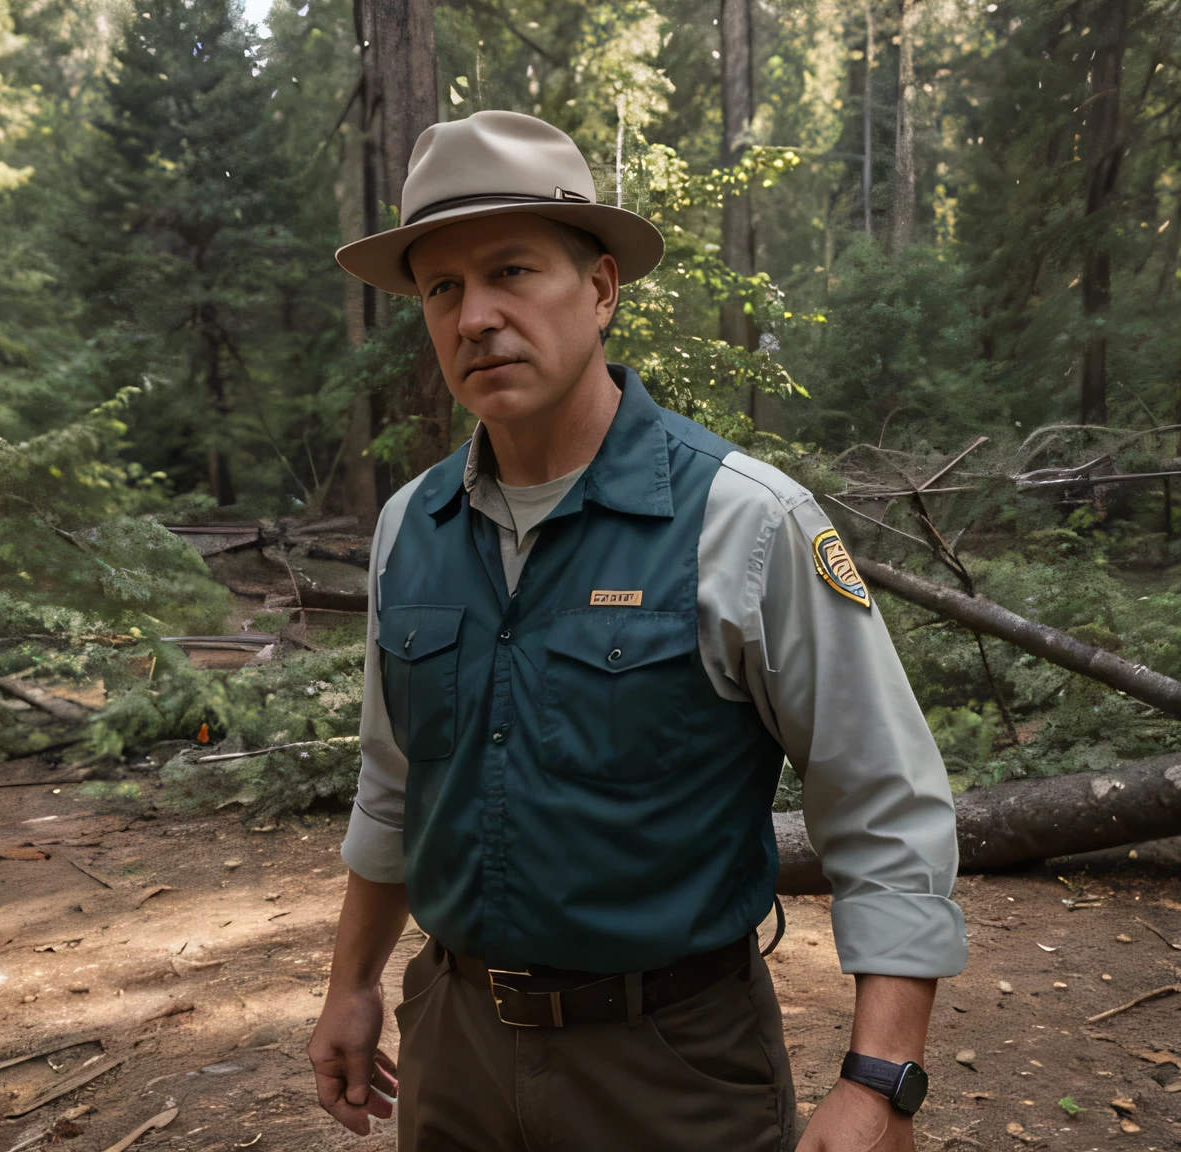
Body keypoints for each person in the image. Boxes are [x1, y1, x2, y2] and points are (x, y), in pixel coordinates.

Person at [307, 109, 966, 1152]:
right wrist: (352, 984)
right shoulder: (408, 532)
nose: (475, 316)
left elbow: (885, 809)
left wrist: (881, 1082)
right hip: (454, 1054)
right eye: (442, 288)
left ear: (603, 288)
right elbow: (394, 786)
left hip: (671, 1069)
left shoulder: (747, 524)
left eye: (513, 271)